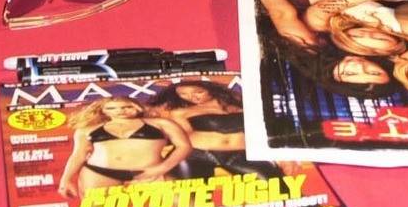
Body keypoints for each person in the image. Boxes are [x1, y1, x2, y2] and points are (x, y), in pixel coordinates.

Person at [57, 98, 192, 197]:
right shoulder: (86, 130)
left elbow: (184, 146)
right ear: (103, 111)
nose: (120, 111)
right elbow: (78, 155)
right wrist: (65, 180)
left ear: (138, 107)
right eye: (112, 108)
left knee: (184, 205)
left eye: (126, 107)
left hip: (150, 171)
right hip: (99, 173)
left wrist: (161, 168)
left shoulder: (161, 123)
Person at [151, 79, 281, 179]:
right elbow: (186, 138)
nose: (192, 97)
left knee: (282, 189)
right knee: (193, 201)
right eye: (183, 94)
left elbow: (264, 126)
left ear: (210, 88)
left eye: (198, 92)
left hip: (240, 154)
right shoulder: (180, 112)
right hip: (198, 155)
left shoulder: (238, 101)